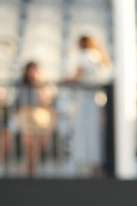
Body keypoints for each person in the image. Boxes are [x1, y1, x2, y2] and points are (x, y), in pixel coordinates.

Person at [65, 35, 112, 176]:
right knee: (94, 132)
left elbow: (76, 76)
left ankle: (88, 164)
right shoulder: (97, 56)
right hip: (96, 100)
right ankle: (94, 164)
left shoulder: (86, 57)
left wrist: (64, 81)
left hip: (87, 100)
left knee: (86, 132)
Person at [14, 62, 55, 177]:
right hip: (26, 115)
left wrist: (39, 86)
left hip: (38, 116)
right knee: (28, 143)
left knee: (36, 143)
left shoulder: (41, 84)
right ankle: (28, 167)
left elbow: (46, 101)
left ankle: (33, 168)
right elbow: (19, 101)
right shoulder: (20, 84)